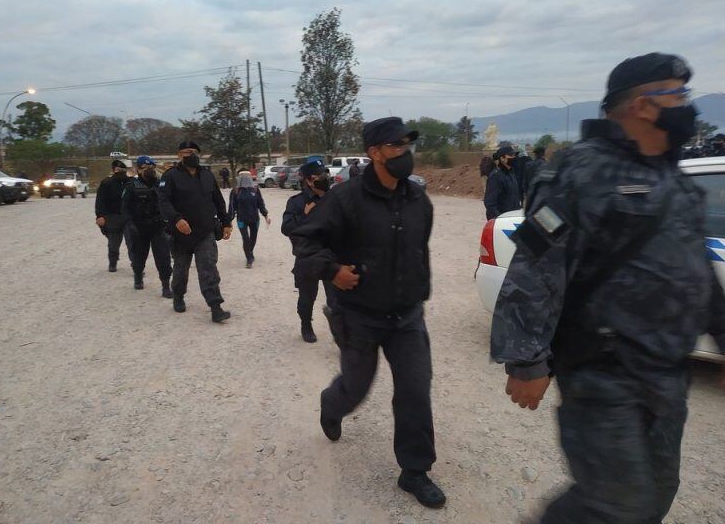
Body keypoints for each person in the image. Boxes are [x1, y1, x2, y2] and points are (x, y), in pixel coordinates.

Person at [490, 53, 725, 524]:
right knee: (617, 504)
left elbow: (696, 270)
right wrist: (527, 360)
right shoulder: (577, 173)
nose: (687, 106)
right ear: (642, 105)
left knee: (657, 492)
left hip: (666, 374)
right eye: (678, 94)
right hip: (603, 374)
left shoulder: (672, 178)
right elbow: (535, 266)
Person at [292, 117, 445, 509]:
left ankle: (414, 470)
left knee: (414, 388)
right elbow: (306, 241)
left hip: (407, 317)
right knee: (356, 386)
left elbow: (418, 247)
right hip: (359, 315)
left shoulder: (417, 199)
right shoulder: (345, 199)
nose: (405, 154)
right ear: (374, 153)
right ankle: (332, 404)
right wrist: (333, 271)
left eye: (407, 145)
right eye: (396, 146)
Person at [157, 141, 233, 323]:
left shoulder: (207, 175)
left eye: (192, 152)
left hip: (205, 231)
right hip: (181, 233)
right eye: (185, 152)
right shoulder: (170, 176)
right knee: (181, 269)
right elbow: (163, 201)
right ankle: (178, 296)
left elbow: (218, 200)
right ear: (178, 156)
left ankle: (215, 307)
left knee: (208, 268)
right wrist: (176, 219)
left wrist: (226, 222)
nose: (189, 155)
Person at [281, 160, 334, 343]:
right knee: (307, 298)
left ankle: (340, 332)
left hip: (332, 255)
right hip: (307, 256)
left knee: (337, 299)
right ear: (309, 180)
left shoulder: (334, 198)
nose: (325, 178)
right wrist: (304, 216)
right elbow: (286, 228)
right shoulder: (296, 202)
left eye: (325, 174)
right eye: (320, 175)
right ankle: (306, 324)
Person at [122, 155, 173, 297]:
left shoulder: (160, 185)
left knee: (163, 257)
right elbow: (125, 209)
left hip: (158, 227)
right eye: (146, 168)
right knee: (139, 257)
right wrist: (129, 224)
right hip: (139, 228)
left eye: (152, 168)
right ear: (138, 169)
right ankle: (138, 276)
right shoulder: (131, 186)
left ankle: (165, 285)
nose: (149, 171)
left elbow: (169, 203)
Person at [95, 160, 134, 272]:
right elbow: (100, 201)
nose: (120, 172)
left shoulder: (132, 183)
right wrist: (100, 216)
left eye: (122, 170)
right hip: (112, 217)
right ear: (113, 170)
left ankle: (136, 265)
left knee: (132, 242)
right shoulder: (106, 183)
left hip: (129, 217)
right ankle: (113, 262)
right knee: (113, 243)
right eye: (118, 170)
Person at [228, 171, 270, 268]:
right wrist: (229, 220)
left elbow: (260, 204)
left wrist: (266, 216)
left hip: (255, 219)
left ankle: (250, 252)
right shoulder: (235, 191)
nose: (245, 178)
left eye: (247, 176)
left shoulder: (255, 190)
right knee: (245, 239)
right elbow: (231, 206)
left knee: (253, 238)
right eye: (243, 176)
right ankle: (249, 259)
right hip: (241, 219)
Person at [483, 145, 520, 220]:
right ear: (502, 158)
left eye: (514, 155)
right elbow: (490, 203)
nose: (514, 157)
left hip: (512, 218)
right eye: (511, 155)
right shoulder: (496, 176)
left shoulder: (511, 174)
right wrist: (499, 220)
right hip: (502, 221)